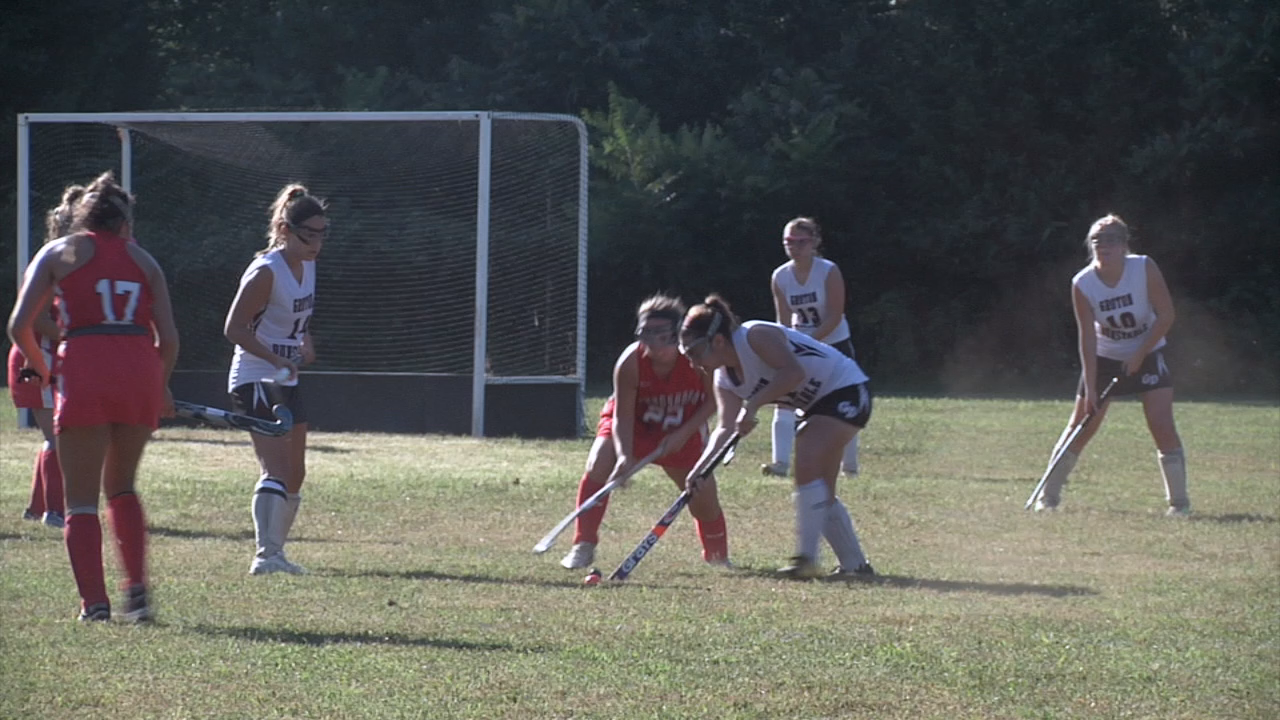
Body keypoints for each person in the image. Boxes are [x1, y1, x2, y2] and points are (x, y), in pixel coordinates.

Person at [7, 172, 179, 622]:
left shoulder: (57, 252)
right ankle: (137, 593)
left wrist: (46, 372)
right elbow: (171, 339)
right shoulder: (145, 261)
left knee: (80, 500)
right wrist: (160, 386)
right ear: (124, 220)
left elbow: (19, 325)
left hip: (84, 365)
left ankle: (95, 604)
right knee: (122, 486)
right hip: (139, 367)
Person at [679, 294, 874, 579]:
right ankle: (856, 566)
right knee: (821, 490)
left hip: (846, 388)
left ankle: (806, 559)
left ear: (717, 341)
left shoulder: (755, 336)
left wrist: (754, 405)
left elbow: (792, 373)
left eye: (695, 353)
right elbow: (725, 427)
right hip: (817, 406)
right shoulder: (725, 380)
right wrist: (699, 471)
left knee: (806, 451)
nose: (695, 364)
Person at [560, 294, 729, 570]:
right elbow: (621, 415)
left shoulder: (697, 358)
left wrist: (684, 433)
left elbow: (713, 400)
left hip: (681, 426)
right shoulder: (631, 362)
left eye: (660, 334)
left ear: (677, 334)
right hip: (635, 425)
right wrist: (625, 455)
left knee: (702, 494)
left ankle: (717, 556)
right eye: (646, 333)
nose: (651, 342)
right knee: (598, 464)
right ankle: (583, 544)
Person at [1034, 214, 1189, 515]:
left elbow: (1167, 315)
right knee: (1081, 426)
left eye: (1111, 241)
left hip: (1148, 351)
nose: (1103, 247)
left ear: (1124, 245)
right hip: (1106, 356)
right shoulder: (1083, 283)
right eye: (1097, 241)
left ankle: (1179, 503)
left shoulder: (1143, 267)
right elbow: (1087, 337)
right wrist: (1090, 386)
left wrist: (1140, 353)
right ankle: (1048, 497)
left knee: (1161, 423)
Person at [224, 183, 325, 575]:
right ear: (285, 231)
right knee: (275, 469)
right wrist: (274, 358)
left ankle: (277, 552)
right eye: (307, 235)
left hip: (285, 377)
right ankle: (265, 557)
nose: (315, 244)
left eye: (321, 235)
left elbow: (298, 317)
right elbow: (234, 328)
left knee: (296, 473)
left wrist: (304, 345)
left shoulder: (309, 265)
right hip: (255, 377)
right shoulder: (266, 271)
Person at [8, 184, 85, 528]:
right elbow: (36, 320)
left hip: (51, 357)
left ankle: (38, 507)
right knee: (57, 435)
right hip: (35, 358)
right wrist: (77, 338)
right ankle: (55, 511)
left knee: (54, 434)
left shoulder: (71, 263)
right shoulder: (52, 261)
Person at [763, 217, 860, 480]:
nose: (793, 247)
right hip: (801, 344)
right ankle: (780, 463)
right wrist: (786, 347)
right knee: (784, 399)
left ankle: (850, 468)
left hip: (833, 343)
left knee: (843, 405)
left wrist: (809, 342)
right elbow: (782, 321)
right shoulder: (780, 276)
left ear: (815, 242)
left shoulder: (828, 270)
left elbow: (835, 315)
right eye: (788, 242)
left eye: (800, 242)